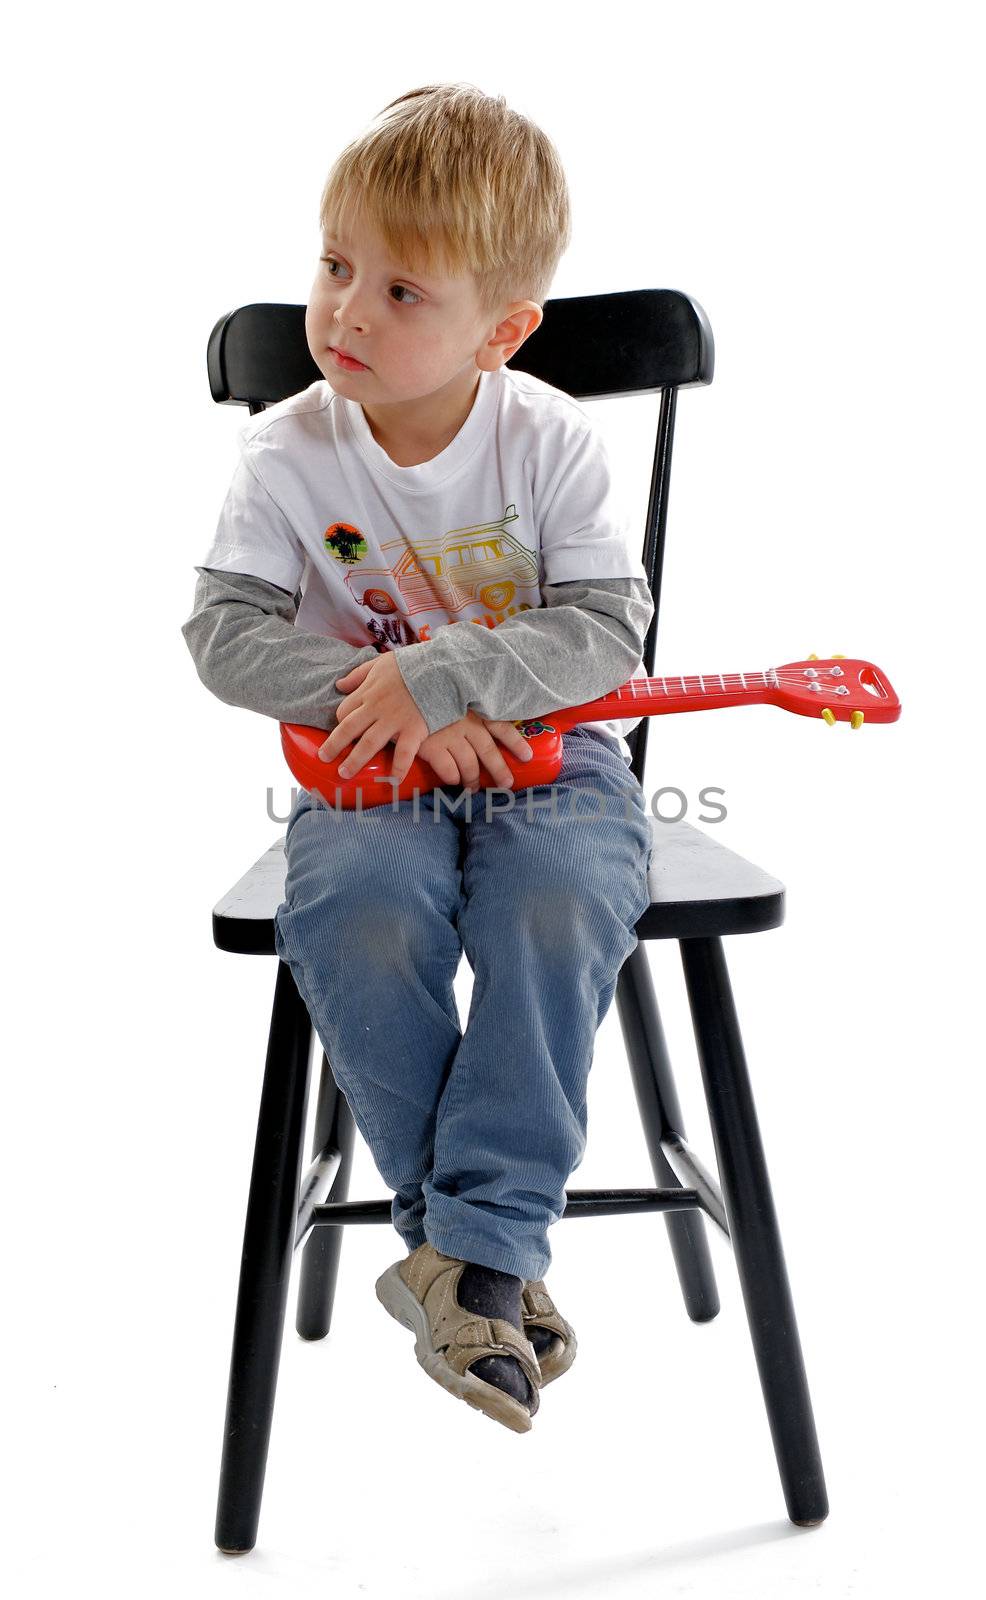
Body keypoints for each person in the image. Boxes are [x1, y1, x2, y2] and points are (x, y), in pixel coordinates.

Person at [181, 82, 655, 1435]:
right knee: (360, 910)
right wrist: (383, 697)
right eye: (335, 268)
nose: (344, 312)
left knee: (555, 901)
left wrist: (443, 672)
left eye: (401, 292)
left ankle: (468, 1253)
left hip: (549, 762)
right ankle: (485, 1262)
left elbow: (607, 630)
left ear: (501, 330)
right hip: (365, 774)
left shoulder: (549, 440)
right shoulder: (286, 452)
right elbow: (220, 635)